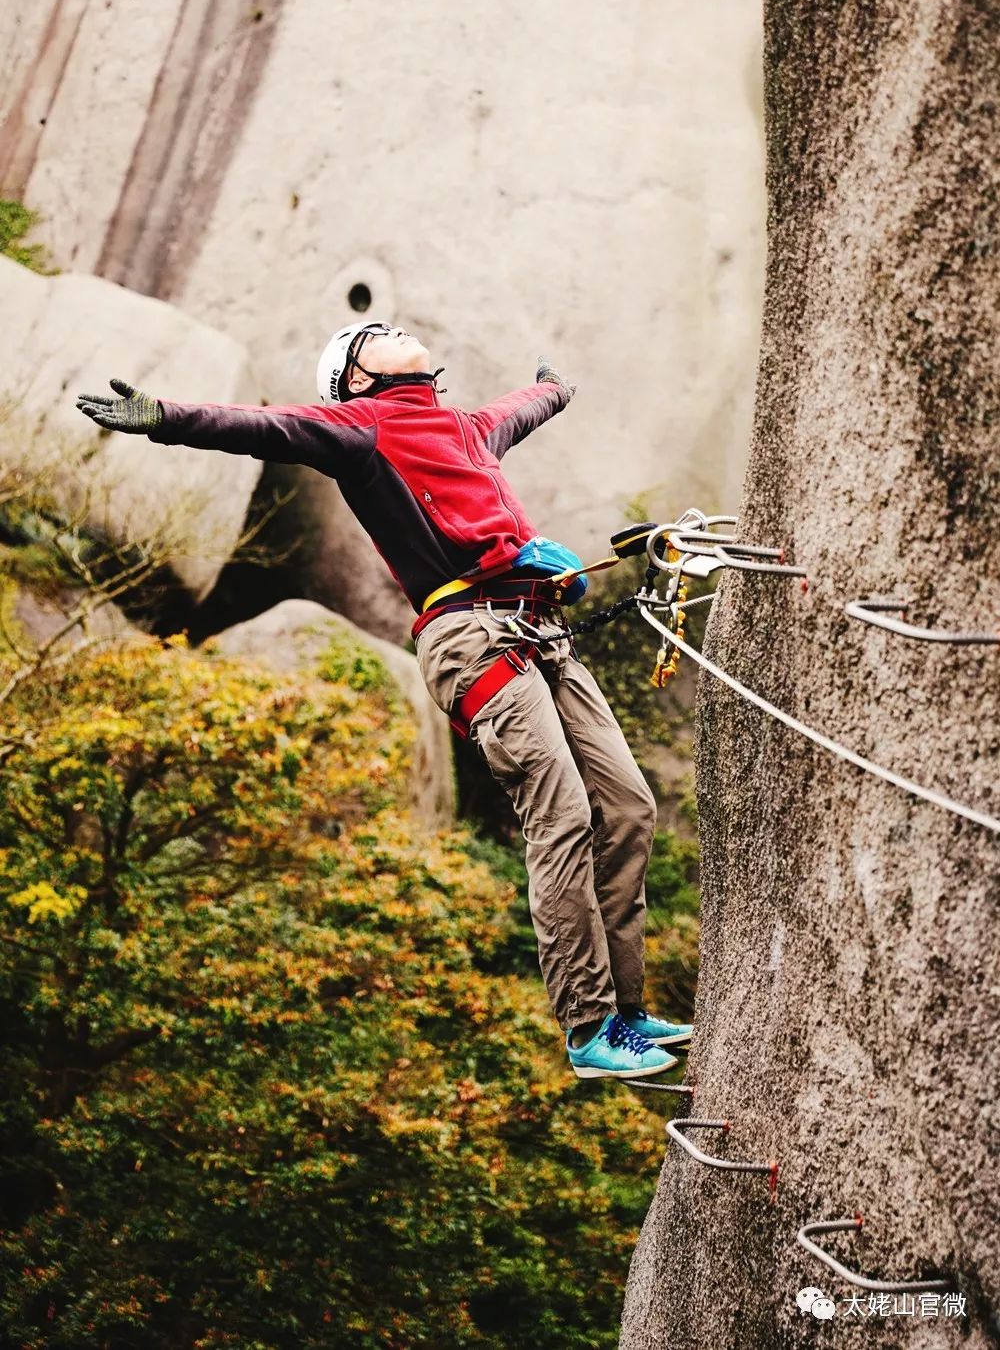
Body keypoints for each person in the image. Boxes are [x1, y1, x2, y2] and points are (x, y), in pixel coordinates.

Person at [76, 321, 693, 1080]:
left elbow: (522, 407)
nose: (395, 330)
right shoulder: (360, 428)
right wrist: (164, 418)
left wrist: (554, 387)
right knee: (561, 812)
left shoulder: (465, 427)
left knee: (628, 803)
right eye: (374, 334)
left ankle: (628, 1010)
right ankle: (588, 1025)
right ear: (357, 378)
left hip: (543, 632)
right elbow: (266, 427)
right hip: (474, 639)